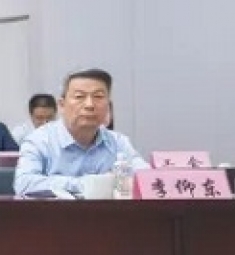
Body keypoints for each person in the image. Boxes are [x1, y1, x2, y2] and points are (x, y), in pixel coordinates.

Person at [14, 69, 149, 197]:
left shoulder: (118, 142)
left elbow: (146, 178)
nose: (89, 105)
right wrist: (86, 184)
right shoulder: (39, 141)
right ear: (62, 105)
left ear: (108, 106)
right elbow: (24, 183)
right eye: (79, 97)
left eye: (98, 96)